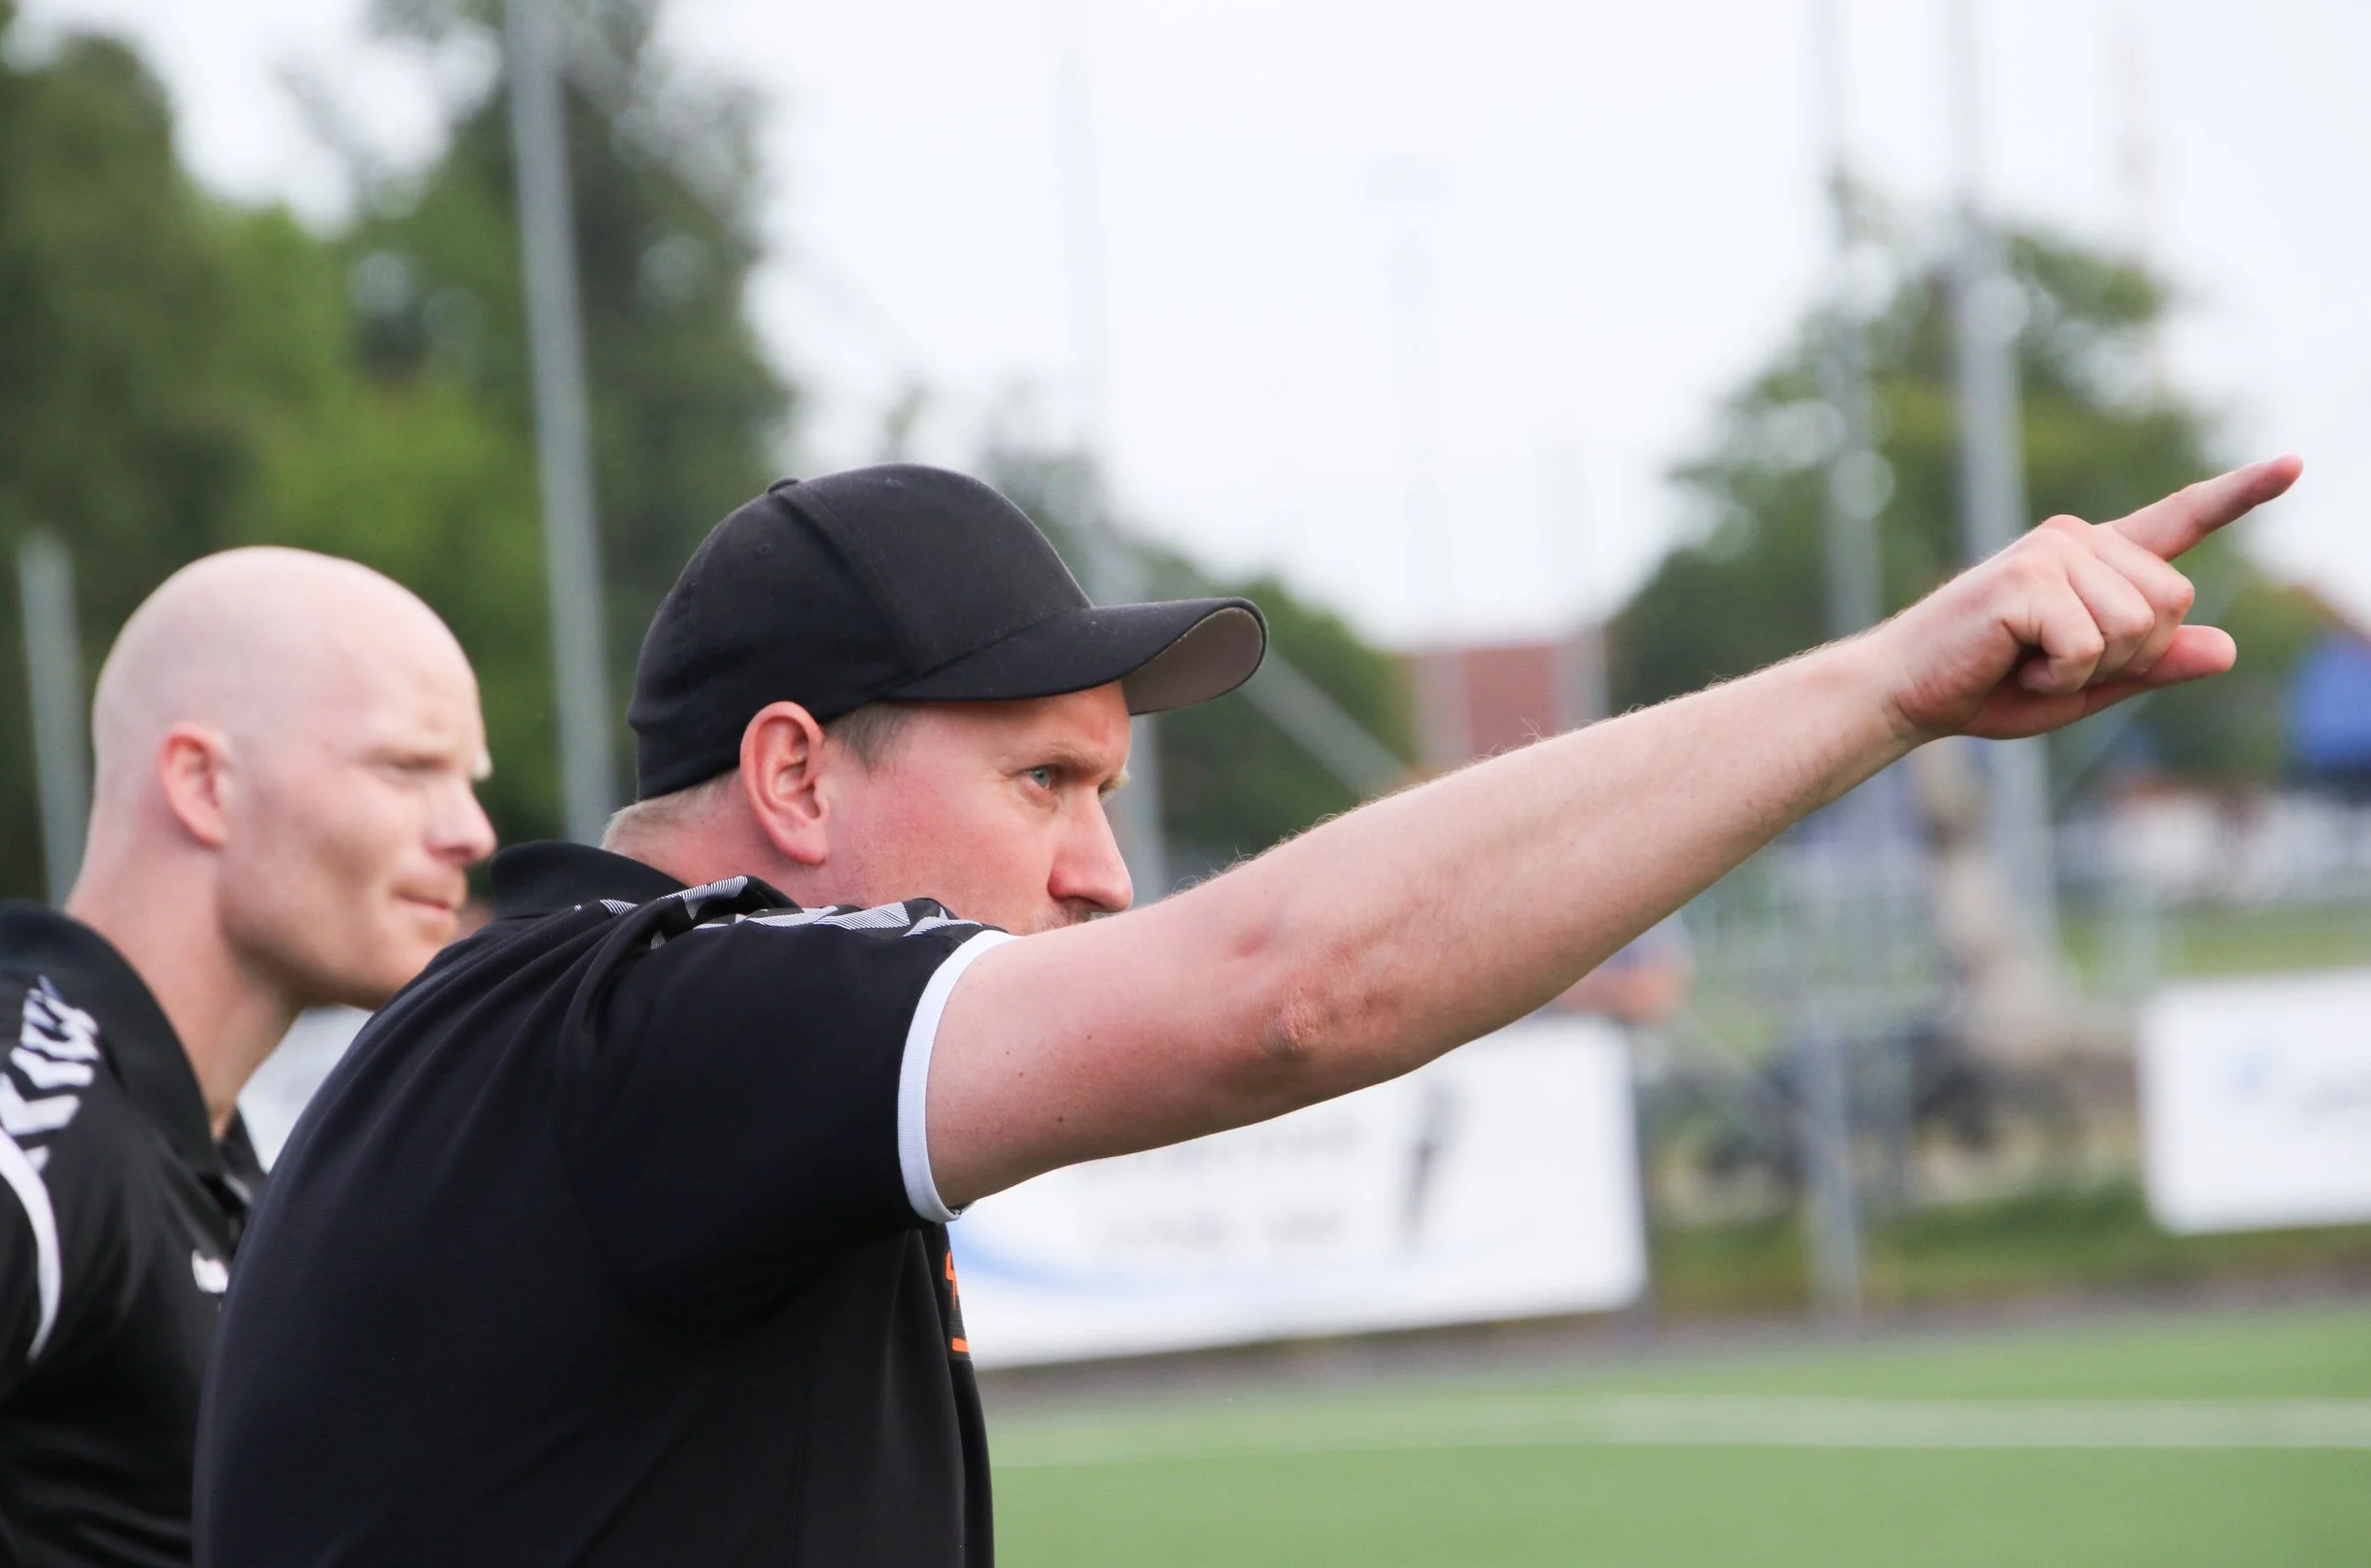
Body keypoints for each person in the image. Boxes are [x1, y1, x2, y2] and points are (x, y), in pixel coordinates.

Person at [198, 457, 2298, 1568]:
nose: (1101, 869)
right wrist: (1885, 684)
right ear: (795, 776)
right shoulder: (642, 1024)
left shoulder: (599, 1057)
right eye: (1048, 781)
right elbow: (1287, 991)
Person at [0, 548, 495, 1567]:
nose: (472, 832)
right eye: (408, 767)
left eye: (468, 781)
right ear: (202, 783)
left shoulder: (221, 1159)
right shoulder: (15, 1130)